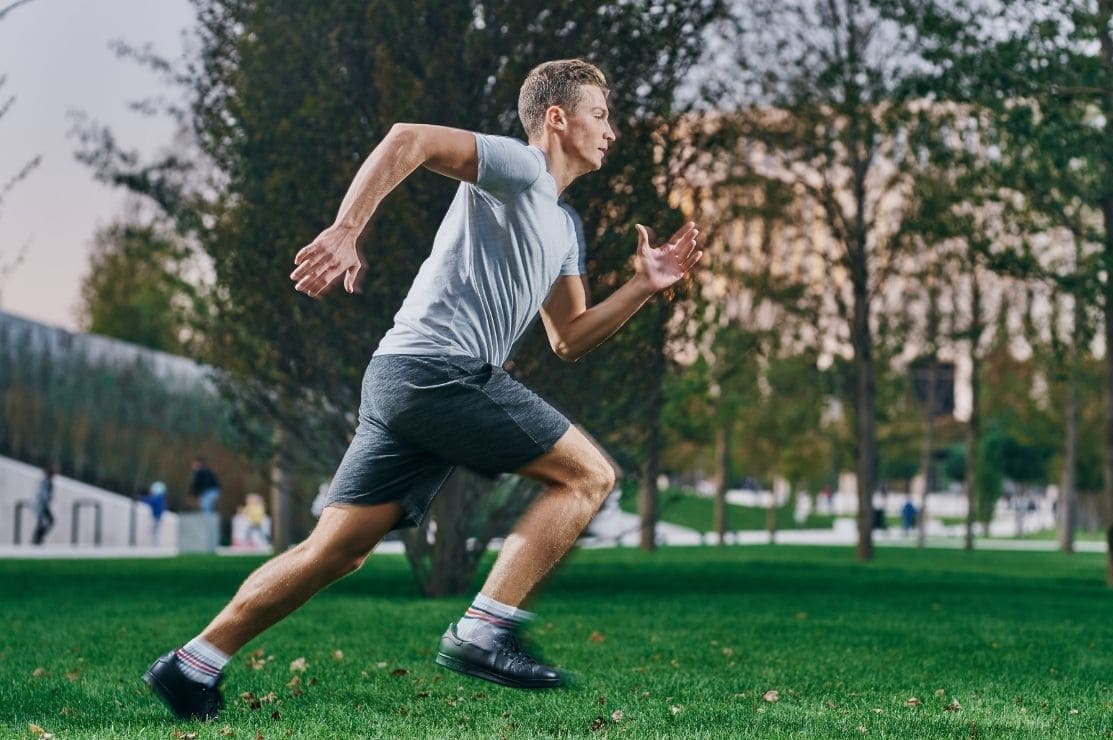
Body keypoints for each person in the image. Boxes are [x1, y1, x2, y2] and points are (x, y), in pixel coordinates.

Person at [143, 58, 703, 721]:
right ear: (557, 118)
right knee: (588, 477)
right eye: (601, 115)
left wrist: (644, 286)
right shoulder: (519, 168)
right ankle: (485, 630)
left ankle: (191, 666)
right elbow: (408, 137)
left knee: (336, 551)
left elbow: (570, 336)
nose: (611, 131)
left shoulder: (563, 229)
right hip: (439, 370)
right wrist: (347, 228)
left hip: (401, 377)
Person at [32, 463, 57, 545]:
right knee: (49, 521)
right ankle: (37, 538)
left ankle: (37, 539)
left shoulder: (47, 480)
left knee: (44, 522)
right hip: (43, 505)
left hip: (43, 504)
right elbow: (43, 493)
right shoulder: (47, 481)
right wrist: (47, 499)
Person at [139, 480, 168, 546]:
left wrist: (139, 498)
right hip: (158, 517)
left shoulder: (158, 498)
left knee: (154, 531)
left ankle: (155, 545)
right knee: (154, 531)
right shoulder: (162, 498)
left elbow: (150, 500)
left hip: (156, 517)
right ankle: (155, 544)